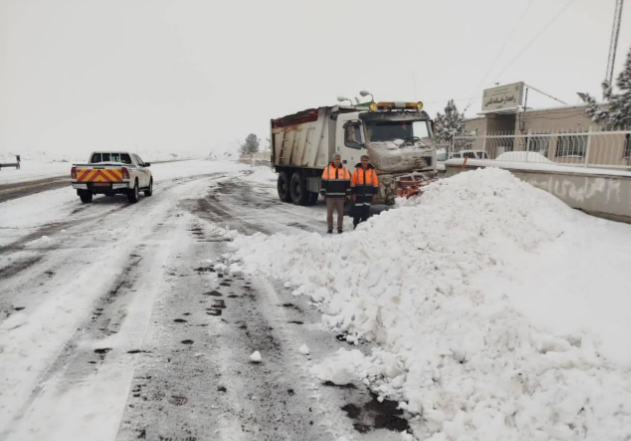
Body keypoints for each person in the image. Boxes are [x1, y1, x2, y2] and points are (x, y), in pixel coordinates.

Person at [320, 154, 351, 234]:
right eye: (336, 159)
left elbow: (347, 182)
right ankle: (330, 228)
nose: (337, 160)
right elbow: (323, 182)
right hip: (330, 196)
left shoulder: (345, 170)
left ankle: (339, 228)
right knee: (329, 214)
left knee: (340, 214)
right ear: (333, 160)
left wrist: (348, 193)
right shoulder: (327, 169)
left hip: (340, 196)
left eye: (338, 159)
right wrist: (323, 192)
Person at [351, 155, 379, 229]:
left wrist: (375, 193)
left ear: (368, 161)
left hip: (368, 194)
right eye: (363, 160)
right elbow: (353, 182)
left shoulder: (372, 171)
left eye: (366, 160)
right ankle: (355, 225)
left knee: (366, 211)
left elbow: (375, 182)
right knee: (357, 211)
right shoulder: (356, 171)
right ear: (361, 161)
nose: (365, 162)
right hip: (358, 194)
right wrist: (353, 193)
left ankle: (363, 225)